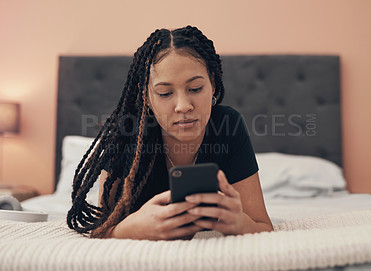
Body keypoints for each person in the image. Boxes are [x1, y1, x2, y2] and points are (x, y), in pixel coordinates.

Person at [67, 25, 273, 240]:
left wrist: (239, 222)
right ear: (146, 94)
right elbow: (100, 231)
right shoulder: (127, 132)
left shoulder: (228, 124)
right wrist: (131, 228)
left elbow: (263, 226)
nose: (183, 106)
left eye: (195, 89)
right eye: (165, 93)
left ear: (212, 83)